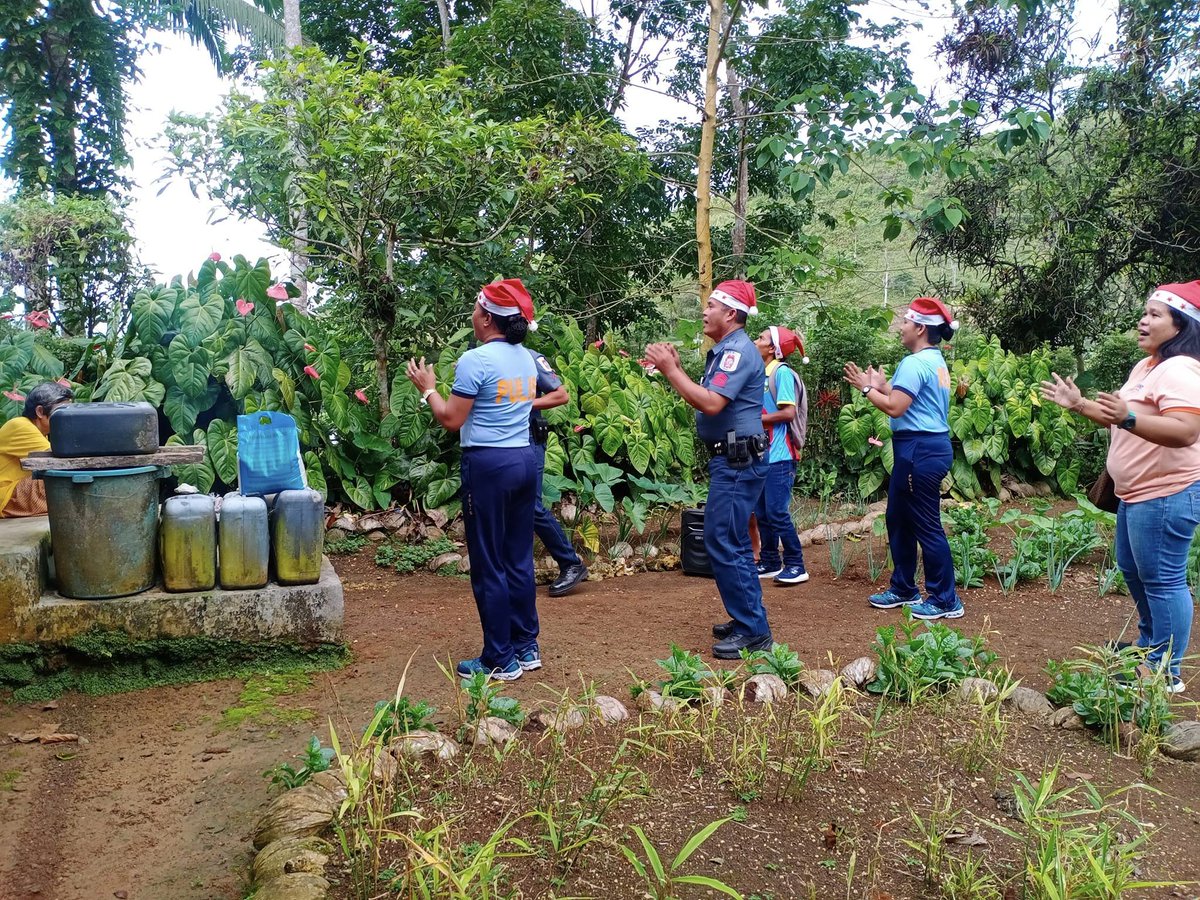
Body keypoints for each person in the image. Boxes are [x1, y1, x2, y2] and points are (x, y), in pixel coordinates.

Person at [1042, 281, 1200, 694]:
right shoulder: (1148, 365)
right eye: (1144, 313)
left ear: (1181, 325)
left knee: (1164, 580)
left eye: (1154, 315)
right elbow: (1119, 415)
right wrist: (1079, 404)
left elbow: (1185, 431)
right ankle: (1150, 647)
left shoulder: (1180, 368)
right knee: (1134, 571)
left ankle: (1164, 673)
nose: (1142, 321)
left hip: (1166, 493)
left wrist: (1129, 417)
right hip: (1137, 493)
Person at [406, 278, 541, 681]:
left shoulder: (475, 360)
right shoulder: (527, 358)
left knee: (487, 563)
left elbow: (451, 419)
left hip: (488, 466)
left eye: (475, 308)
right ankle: (525, 645)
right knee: (518, 558)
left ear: (485, 318)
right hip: (523, 461)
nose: (473, 313)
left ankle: (499, 657)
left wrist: (428, 390)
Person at [644, 279, 772, 658]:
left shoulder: (735, 352)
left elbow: (712, 403)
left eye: (712, 304)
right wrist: (678, 368)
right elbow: (706, 398)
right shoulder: (726, 351)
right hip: (734, 460)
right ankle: (748, 620)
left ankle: (753, 629)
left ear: (730, 314)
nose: (705, 310)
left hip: (737, 462)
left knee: (724, 540)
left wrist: (669, 370)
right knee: (727, 540)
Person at [843, 297, 961, 620]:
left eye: (906, 323)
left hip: (919, 449)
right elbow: (900, 391)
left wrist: (867, 390)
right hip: (922, 447)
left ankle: (945, 599)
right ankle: (904, 587)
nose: (901, 328)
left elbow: (895, 407)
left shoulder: (915, 363)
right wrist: (881, 384)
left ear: (920, 328)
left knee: (925, 523)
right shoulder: (932, 361)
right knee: (898, 517)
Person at [526, 344, 589, 596]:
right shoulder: (485, 358)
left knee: (531, 504)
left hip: (529, 438)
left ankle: (571, 563)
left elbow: (560, 395)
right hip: (501, 443)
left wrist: (526, 404)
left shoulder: (531, 358)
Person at [752, 325, 810, 585]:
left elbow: (788, 413)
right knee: (762, 511)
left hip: (780, 454)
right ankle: (770, 561)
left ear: (773, 349)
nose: (756, 340)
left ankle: (796, 564)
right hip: (761, 455)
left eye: (762, 338)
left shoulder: (781, 373)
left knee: (776, 512)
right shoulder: (760, 374)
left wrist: (758, 418)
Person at [0, 382, 74, 518]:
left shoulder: (43, 433)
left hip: (15, 491)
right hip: (6, 496)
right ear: (40, 411)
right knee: (61, 482)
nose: (67, 416)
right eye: (62, 411)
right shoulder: (20, 426)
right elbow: (61, 460)